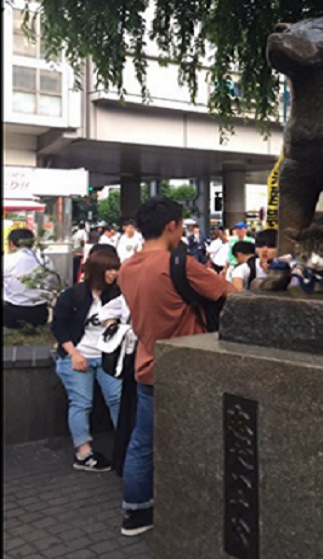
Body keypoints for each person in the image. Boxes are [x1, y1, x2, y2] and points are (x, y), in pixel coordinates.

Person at [118, 196, 235, 537]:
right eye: (181, 225)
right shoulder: (178, 264)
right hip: (188, 365)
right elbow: (227, 291)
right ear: (172, 226)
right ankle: (197, 508)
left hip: (148, 363)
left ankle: (136, 513)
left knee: (143, 441)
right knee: (198, 439)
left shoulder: (127, 268)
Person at [51, 244, 125, 472]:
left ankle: (125, 447)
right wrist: (73, 354)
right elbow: (59, 327)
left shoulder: (117, 295)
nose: (113, 273)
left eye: (116, 268)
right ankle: (83, 453)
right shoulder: (74, 295)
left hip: (106, 357)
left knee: (118, 399)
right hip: (77, 355)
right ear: (96, 270)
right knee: (81, 402)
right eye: (109, 269)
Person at [3, 228, 55, 329]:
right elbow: (51, 281)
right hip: (40, 313)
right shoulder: (44, 260)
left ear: (11, 243)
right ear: (32, 243)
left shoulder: (7, 260)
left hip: (12, 313)